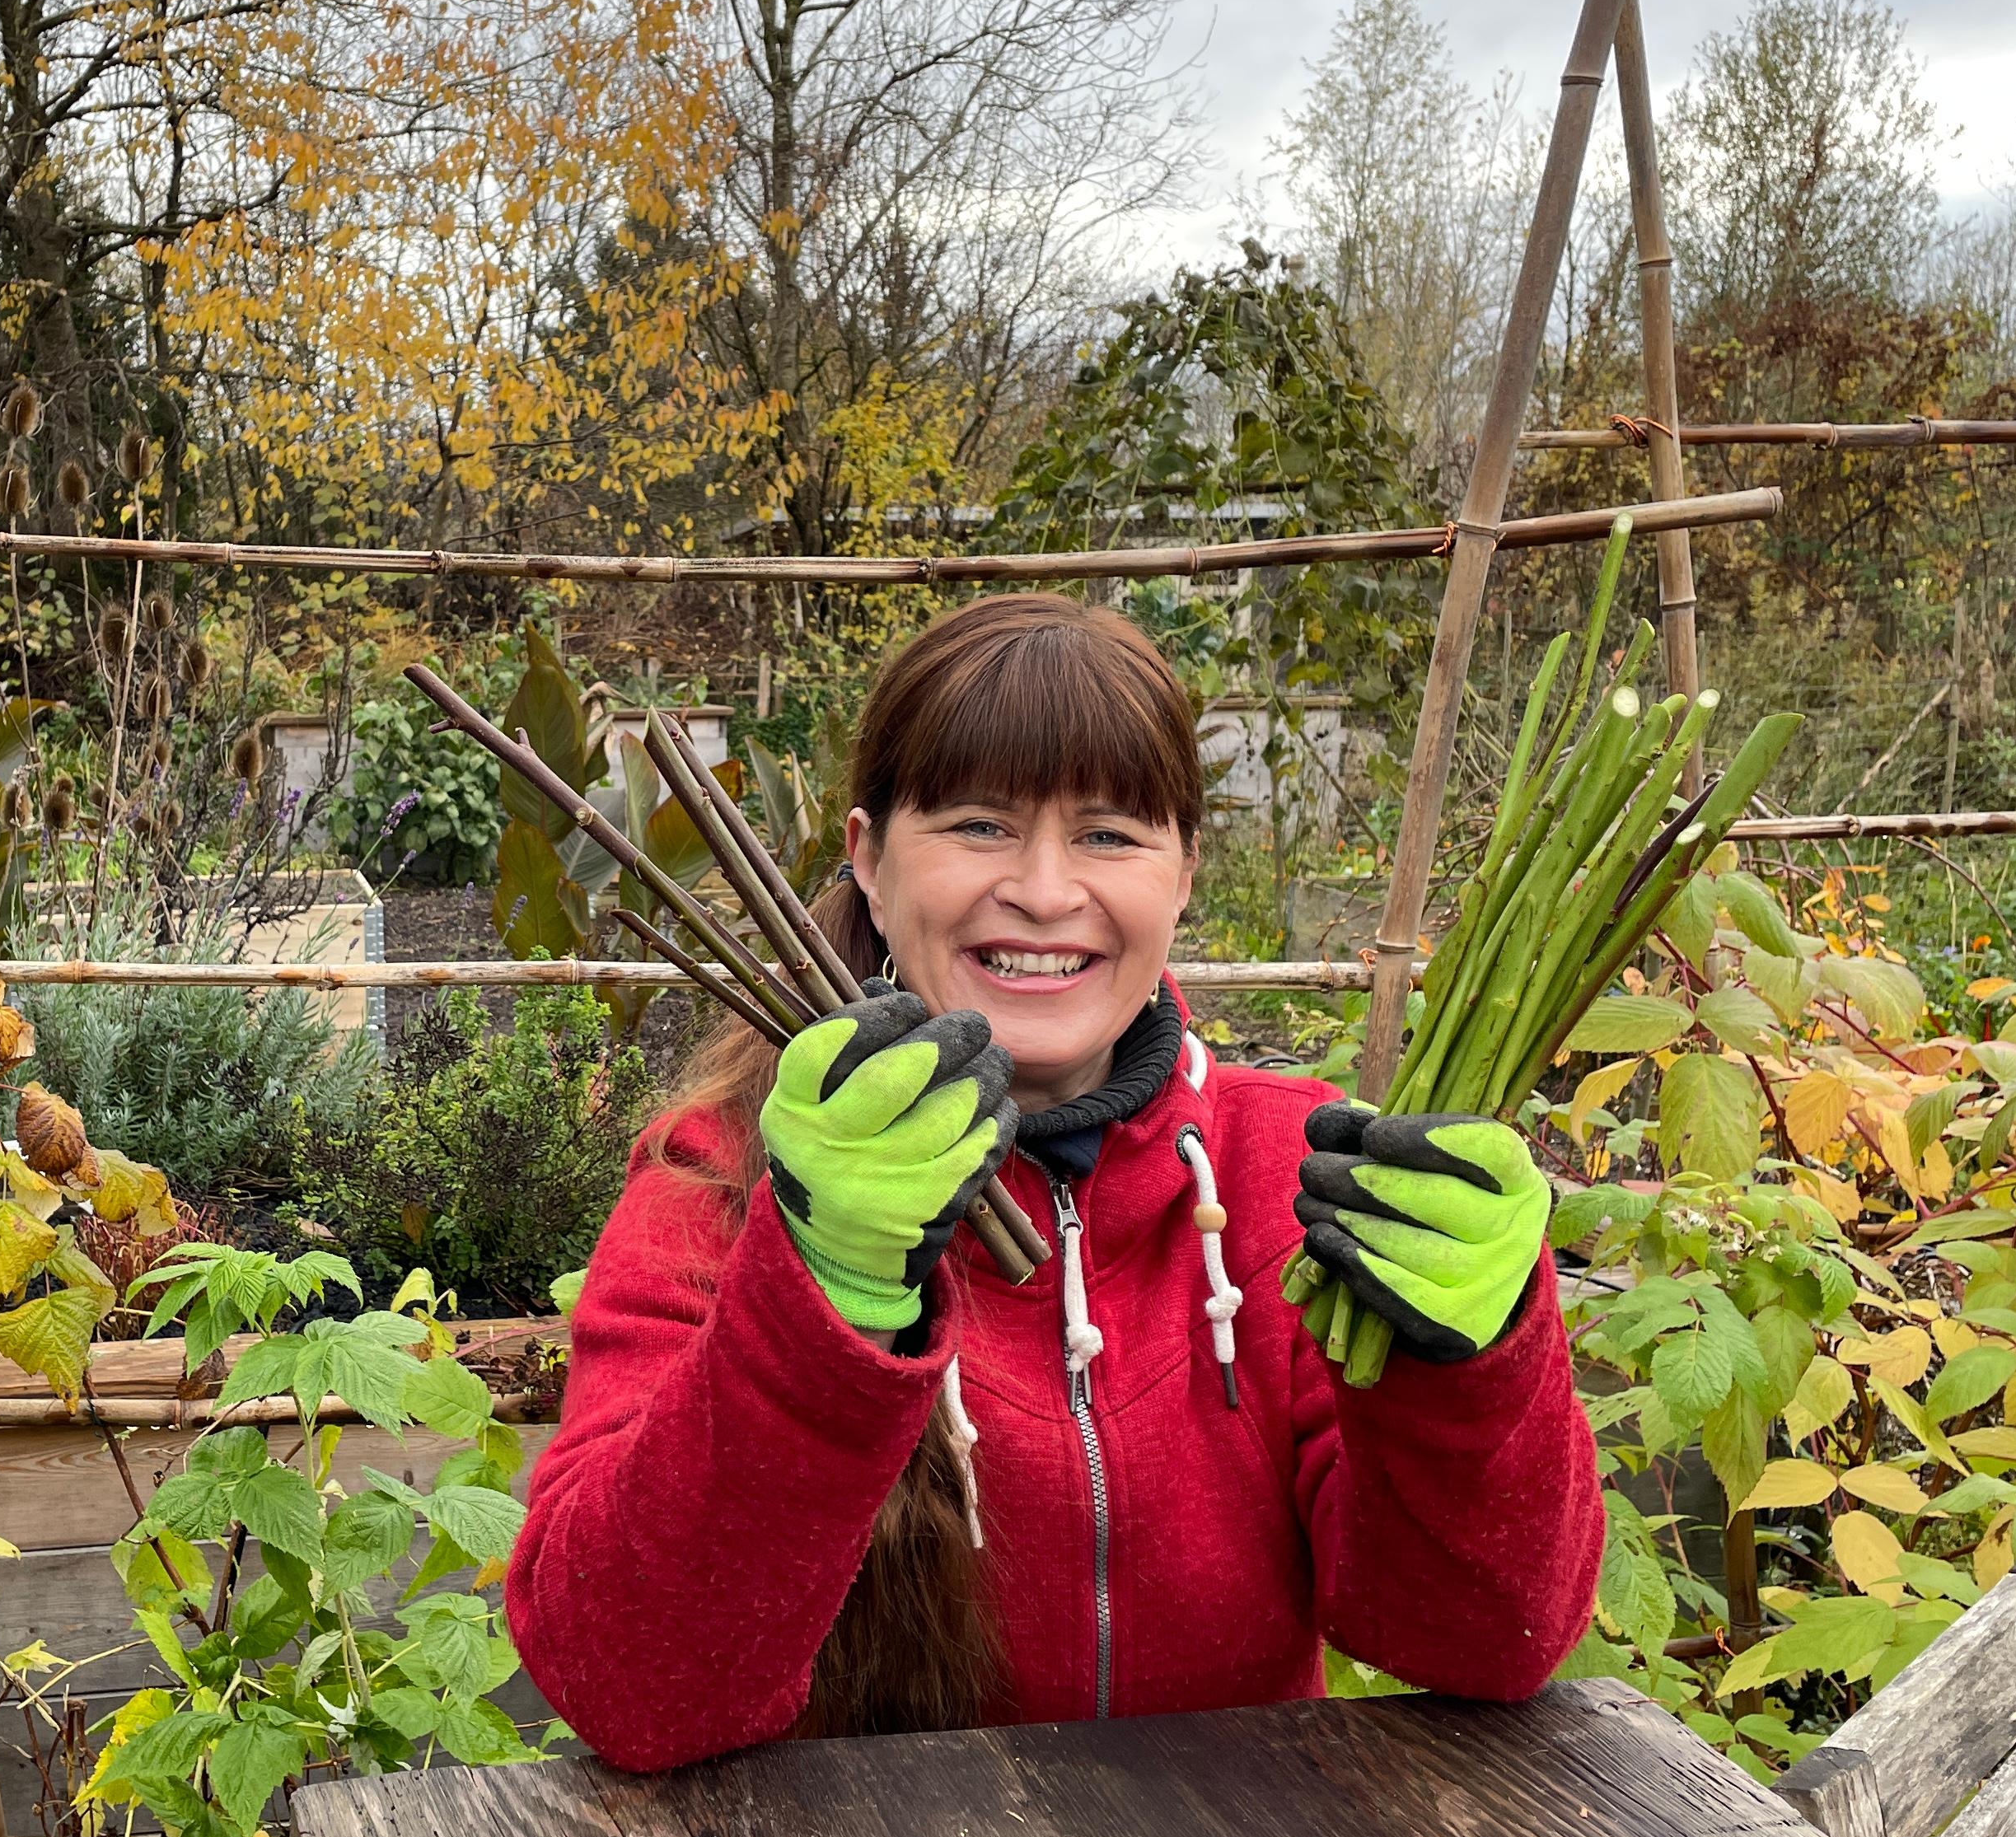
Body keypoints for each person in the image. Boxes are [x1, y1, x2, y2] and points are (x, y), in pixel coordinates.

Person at [506, 594, 1603, 1771]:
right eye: (978, 825)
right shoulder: (722, 1180)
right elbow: (627, 1688)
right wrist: (819, 1303)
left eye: (1110, 835)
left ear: (1185, 874)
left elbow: (1484, 1643)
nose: (1042, 889)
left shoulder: (1287, 1181)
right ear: (869, 859)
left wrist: (1473, 1374)